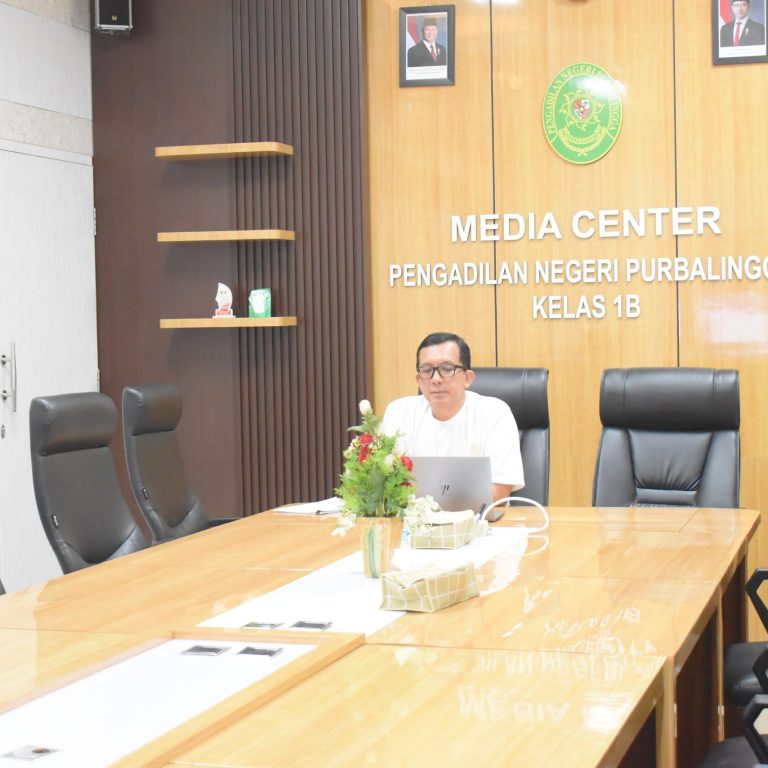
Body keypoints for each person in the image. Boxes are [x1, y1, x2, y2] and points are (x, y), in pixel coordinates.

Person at [382, 332, 524, 502]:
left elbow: (499, 493)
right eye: (427, 370)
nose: (436, 379)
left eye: (447, 369)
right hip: (416, 519)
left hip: (478, 518)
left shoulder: (495, 413)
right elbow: (388, 486)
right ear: (418, 380)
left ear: (468, 378)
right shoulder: (398, 413)